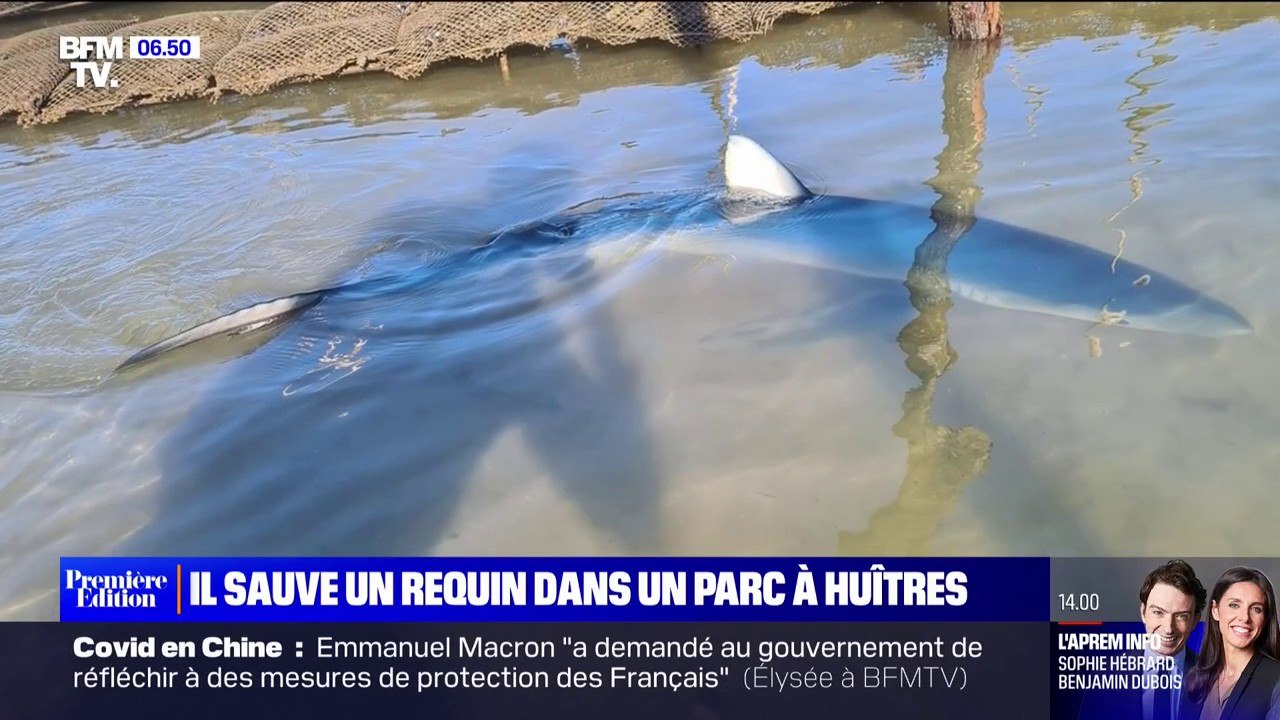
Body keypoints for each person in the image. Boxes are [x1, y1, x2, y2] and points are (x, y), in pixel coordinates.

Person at [1080, 559, 1207, 720]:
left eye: (1182, 616)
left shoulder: (1213, 680)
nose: (1168, 628)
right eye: (1158, 612)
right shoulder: (1104, 678)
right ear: (1143, 612)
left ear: (1195, 620)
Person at [1178, 567, 1280, 720]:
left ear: (1265, 619)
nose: (1244, 617)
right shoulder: (1196, 678)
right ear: (1215, 610)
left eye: (1256, 609)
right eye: (1234, 605)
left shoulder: (1276, 679)